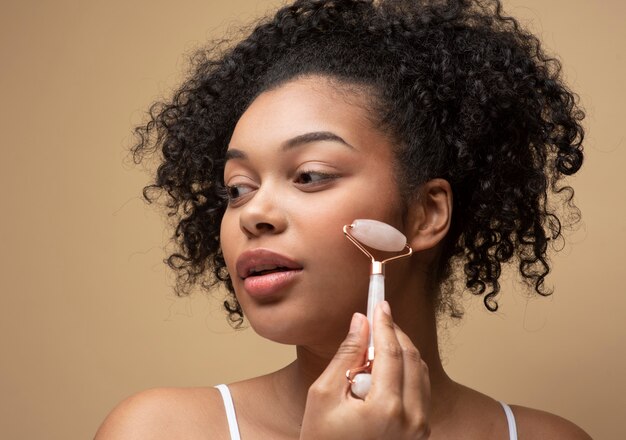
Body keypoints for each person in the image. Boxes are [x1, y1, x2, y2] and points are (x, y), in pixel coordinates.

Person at [96, 0, 592, 438]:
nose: (255, 215)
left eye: (310, 175)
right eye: (237, 189)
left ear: (427, 213)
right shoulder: (159, 430)